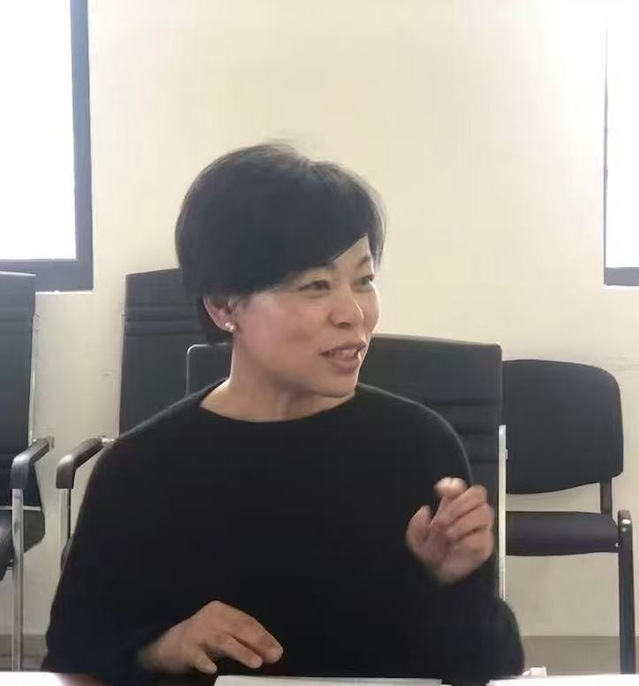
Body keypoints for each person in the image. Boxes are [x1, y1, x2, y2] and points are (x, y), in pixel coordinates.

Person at [45, 143, 523, 684]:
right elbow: (72, 659)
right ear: (224, 306)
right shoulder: (139, 469)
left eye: (364, 280)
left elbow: (492, 667)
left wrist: (451, 584)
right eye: (315, 286)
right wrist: (163, 648)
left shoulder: (419, 447)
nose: (354, 313)